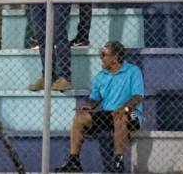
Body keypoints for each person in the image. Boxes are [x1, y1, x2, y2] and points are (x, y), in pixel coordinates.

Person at [59, 41, 144, 173]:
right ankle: (74, 161)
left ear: (115, 57)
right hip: (108, 114)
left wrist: (124, 109)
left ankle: (118, 162)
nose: (101, 58)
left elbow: (138, 96)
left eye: (103, 55)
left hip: (131, 113)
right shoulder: (101, 76)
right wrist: (88, 105)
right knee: (79, 118)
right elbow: (95, 99)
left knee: (120, 117)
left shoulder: (133, 71)